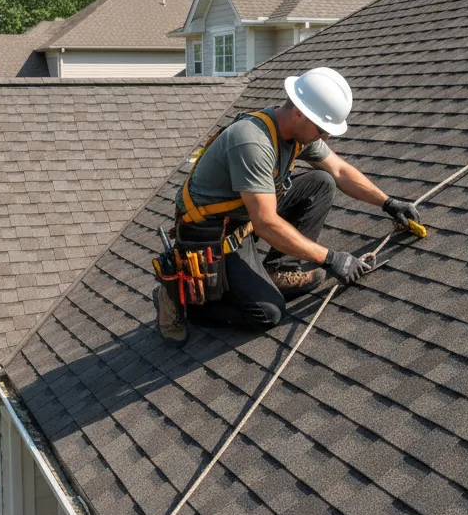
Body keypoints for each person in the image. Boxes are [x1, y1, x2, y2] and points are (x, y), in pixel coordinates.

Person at [162, 67, 421, 333]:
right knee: (267, 313)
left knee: (321, 182)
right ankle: (187, 303)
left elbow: (340, 171)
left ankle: (280, 269)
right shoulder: (253, 142)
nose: (325, 137)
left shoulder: (296, 130)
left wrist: (388, 203)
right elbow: (266, 223)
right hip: (213, 234)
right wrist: (331, 259)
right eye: (322, 130)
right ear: (299, 113)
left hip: (244, 216)